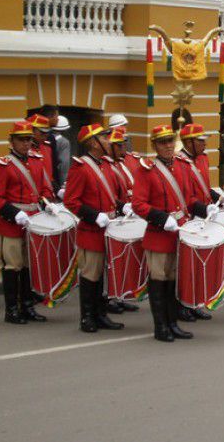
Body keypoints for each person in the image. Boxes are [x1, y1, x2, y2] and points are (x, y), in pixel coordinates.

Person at [132, 125, 203, 342]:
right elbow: (138, 204)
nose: (168, 146)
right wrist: (162, 218)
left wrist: (204, 208)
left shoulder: (182, 166)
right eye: (163, 142)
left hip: (179, 232)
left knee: (173, 280)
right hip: (158, 234)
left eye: (171, 141)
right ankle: (160, 326)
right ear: (154, 145)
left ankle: (173, 323)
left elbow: (188, 199)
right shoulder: (146, 170)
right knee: (159, 279)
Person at [0, 121, 54, 324]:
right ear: (12, 141)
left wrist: (46, 204)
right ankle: (11, 310)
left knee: (27, 266)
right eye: (21, 140)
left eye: (28, 139)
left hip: (33, 222)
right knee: (13, 266)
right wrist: (14, 213)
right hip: (11, 224)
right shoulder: (3, 165)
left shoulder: (36, 161)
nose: (26, 143)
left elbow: (44, 189)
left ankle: (27, 306)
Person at [63, 124, 126, 333]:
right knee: (91, 274)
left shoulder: (105, 165)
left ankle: (100, 314)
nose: (109, 141)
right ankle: (87, 317)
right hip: (91, 230)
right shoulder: (81, 168)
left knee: (102, 274)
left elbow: (109, 196)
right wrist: (93, 215)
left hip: (107, 228)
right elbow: (71, 201)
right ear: (93, 142)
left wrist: (122, 206)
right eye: (104, 138)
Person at [177, 123, 224, 320]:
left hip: (203, 217)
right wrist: (204, 208)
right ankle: (181, 304)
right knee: (185, 266)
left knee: (199, 265)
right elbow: (184, 196)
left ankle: (195, 302)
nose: (204, 144)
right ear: (188, 142)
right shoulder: (179, 162)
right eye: (200, 141)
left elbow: (205, 189)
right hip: (189, 217)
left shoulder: (202, 159)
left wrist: (218, 198)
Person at [104, 127, 140, 314]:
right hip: (114, 216)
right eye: (118, 145)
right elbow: (109, 194)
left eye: (123, 144)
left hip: (127, 214)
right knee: (111, 260)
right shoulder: (107, 166)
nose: (123, 148)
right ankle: (109, 297)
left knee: (123, 258)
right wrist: (122, 206)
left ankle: (121, 294)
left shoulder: (121, 163)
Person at [27, 113, 55, 189]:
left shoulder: (47, 148)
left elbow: (49, 174)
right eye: (42, 132)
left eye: (47, 132)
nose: (45, 135)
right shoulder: (24, 150)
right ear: (32, 130)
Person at [39, 105, 61, 182]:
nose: (58, 119)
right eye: (56, 116)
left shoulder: (51, 137)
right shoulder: (49, 138)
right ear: (49, 117)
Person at [51, 115, 71, 195]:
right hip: (56, 180)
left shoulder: (46, 138)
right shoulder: (64, 142)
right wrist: (63, 186)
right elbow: (63, 166)